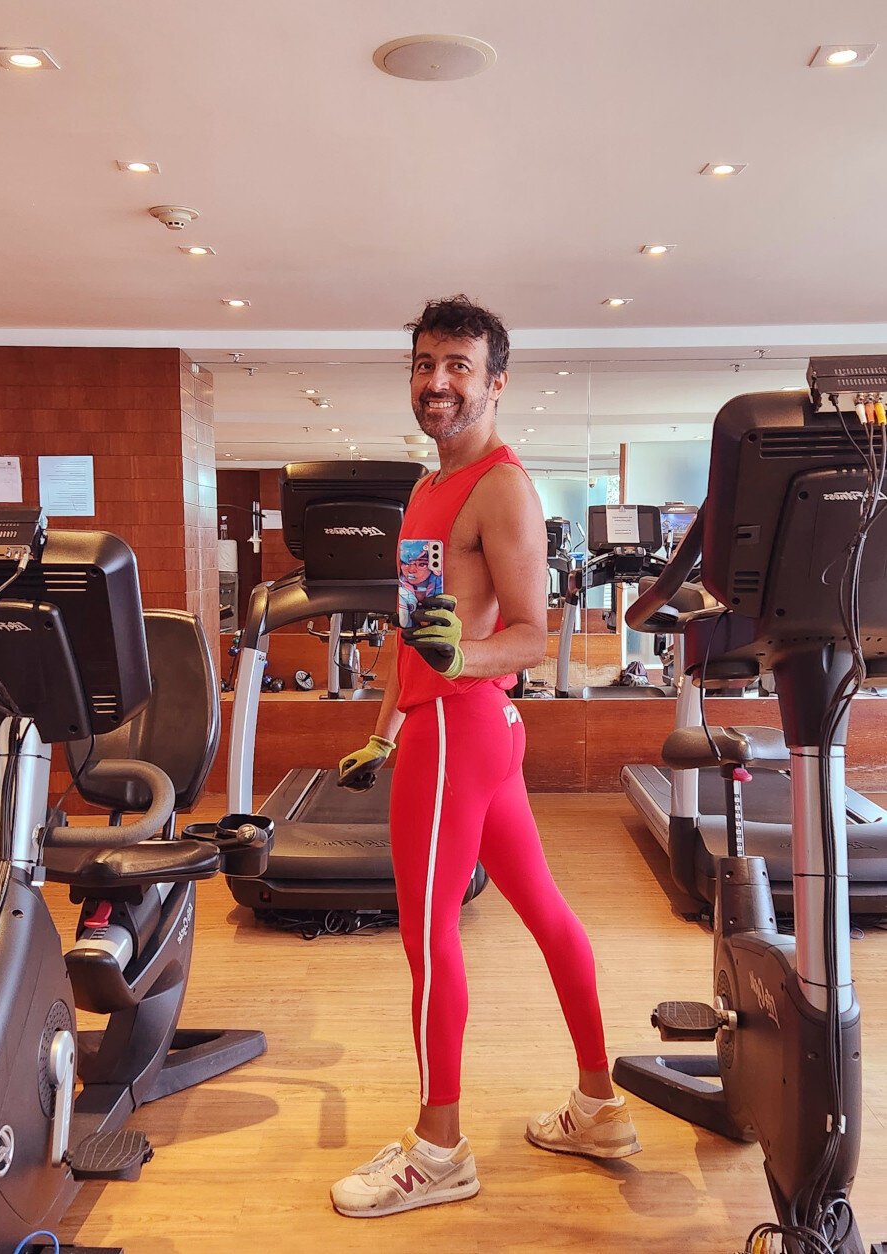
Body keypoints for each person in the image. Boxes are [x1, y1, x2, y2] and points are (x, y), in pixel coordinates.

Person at [330, 295, 640, 1219]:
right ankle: (598, 1106)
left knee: (431, 942)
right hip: (448, 732)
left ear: (495, 382)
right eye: (426, 363)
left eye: (459, 366)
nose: (438, 382)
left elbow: (538, 636)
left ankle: (439, 1149)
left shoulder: (502, 487)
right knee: (545, 909)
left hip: (462, 731)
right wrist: (383, 729)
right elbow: (413, 628)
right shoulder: (427, 491)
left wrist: (458, 667)